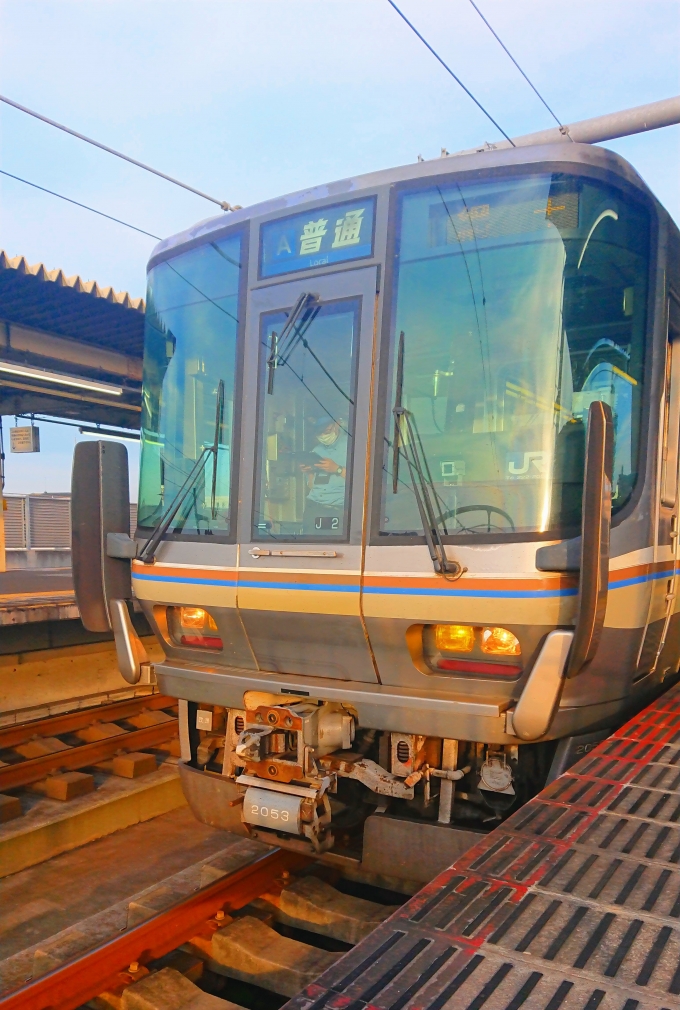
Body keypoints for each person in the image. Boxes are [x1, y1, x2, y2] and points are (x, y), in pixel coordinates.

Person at [302, 416, 348, 534]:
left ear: (337, 424)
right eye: (319, 432)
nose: (323, 435)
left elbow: (364, 480)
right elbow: (311, 486)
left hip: (339, 510)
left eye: (326, 431)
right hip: (314, 507)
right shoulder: (317, 450)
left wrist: (337, 469)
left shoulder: (352, 447)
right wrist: (309, 472)